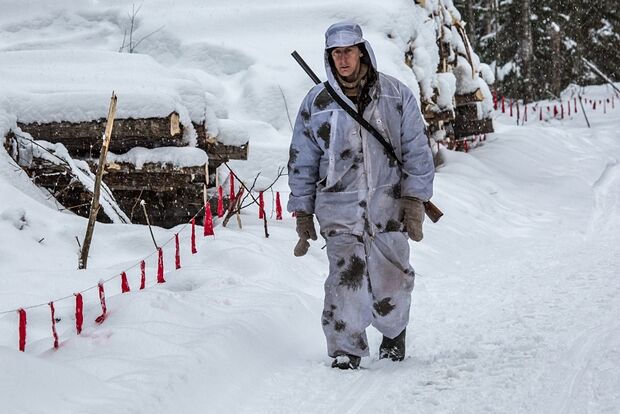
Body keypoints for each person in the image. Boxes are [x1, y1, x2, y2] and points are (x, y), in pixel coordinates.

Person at [287, 21, 435, 370]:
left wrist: (414, 200)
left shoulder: (395, 95)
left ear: (361, 52)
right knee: (345, 280)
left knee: (392, 279)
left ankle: (394, 333)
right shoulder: (317, 103)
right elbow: (302, 160)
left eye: (348, 51)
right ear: (329, 57)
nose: (343, 60)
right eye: (336, 53)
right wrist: (303, 212)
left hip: (389, 206)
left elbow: (417, 150)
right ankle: (345, 348)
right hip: (338, 208)